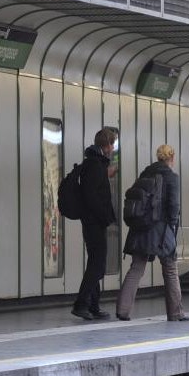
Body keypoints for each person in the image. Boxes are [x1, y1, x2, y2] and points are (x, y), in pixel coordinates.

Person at [115, 145, 188, 322]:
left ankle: (123, 310)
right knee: (170, 268)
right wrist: (172, 227)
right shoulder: (171, 177)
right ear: (172, 158)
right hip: (161, 230)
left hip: (140, 228)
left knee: (136, 267)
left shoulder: (145, 174)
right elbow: (174, 207)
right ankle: (175, 313)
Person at [72, 128, 118, 320]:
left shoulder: (96, 164)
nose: (113, 148)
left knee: (95, 263)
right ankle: (81, 304)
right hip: (94, 222)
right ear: (106, 145)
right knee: (97, 265)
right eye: (112, 144)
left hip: (93, 221)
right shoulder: (94, 165)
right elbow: (90, 196)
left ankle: (93, 305)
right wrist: (104, 216)